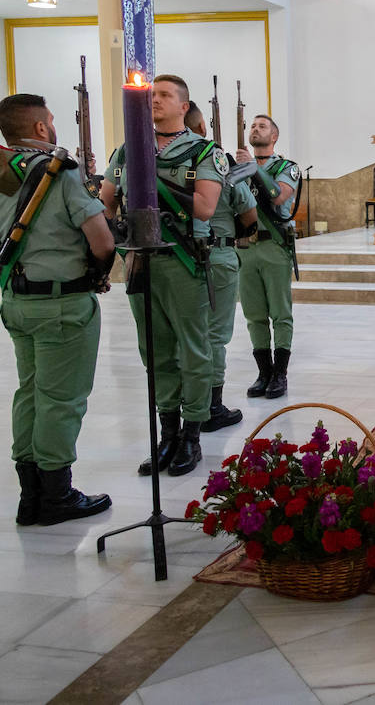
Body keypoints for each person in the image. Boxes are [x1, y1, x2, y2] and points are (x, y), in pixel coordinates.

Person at [0, 94, 113, 526]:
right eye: (50, 120)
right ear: (40, 128)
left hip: (16, 301)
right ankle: (57, 494)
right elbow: (102, 241)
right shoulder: (60, 173)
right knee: (61, 400)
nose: (53, 127)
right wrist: (99, 274)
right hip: (62, 303)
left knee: (30, 392)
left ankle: (30, 495)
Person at [100, 74, 224, 478]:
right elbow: (106, 201)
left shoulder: (204, 151)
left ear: (183, 107)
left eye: (165, 95)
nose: (155, 100)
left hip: (184, 260)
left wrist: (151, 178)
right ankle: (167, 432)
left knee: (193, 348)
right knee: (154, 349)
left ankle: (192, 434)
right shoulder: (127, 150)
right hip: (140, 261)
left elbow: (205, 207)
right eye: (152, 95)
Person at [184, 104, 257, 432]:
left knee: (185, 336)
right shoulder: (216, 163)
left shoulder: (160, 163)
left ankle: (184, 410)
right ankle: (211, 407)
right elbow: (250, 215)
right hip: (217, 257)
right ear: (203, 126)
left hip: (178, 257)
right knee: (214, 335)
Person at [234, 114, 301, 399]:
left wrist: (252, 168)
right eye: (252, 125)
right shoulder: (236, 166)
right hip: (245, 247)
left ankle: (280, 374)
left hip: (274, 245)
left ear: (274, 137)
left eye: (262, 126)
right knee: (254, 314)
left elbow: (278, 196)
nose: (255, 129)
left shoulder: (287, 167)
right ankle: (263, 372)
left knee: (280, 313)